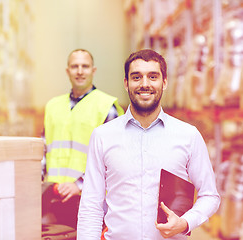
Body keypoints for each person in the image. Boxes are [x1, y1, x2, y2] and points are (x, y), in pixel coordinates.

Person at [77, 49, 221, 239]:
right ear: (126, 84)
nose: (145, 84)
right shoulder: (103, 136)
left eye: (153, 77)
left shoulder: (188, 136)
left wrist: (186, 223)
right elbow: (91, 205)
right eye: (136, 77)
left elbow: (210, 196)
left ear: (165, 82)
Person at [42, 49, 124, 229]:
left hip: (89, 201)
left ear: (93, 71)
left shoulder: (106, 107)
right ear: (67, 71)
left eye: (85, 66)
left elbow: (113, 160)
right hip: (52, 198)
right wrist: (40, 185)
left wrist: (79, 185)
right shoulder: (53, 106)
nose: (80, 71)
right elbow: (43, 150)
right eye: (75, 66)